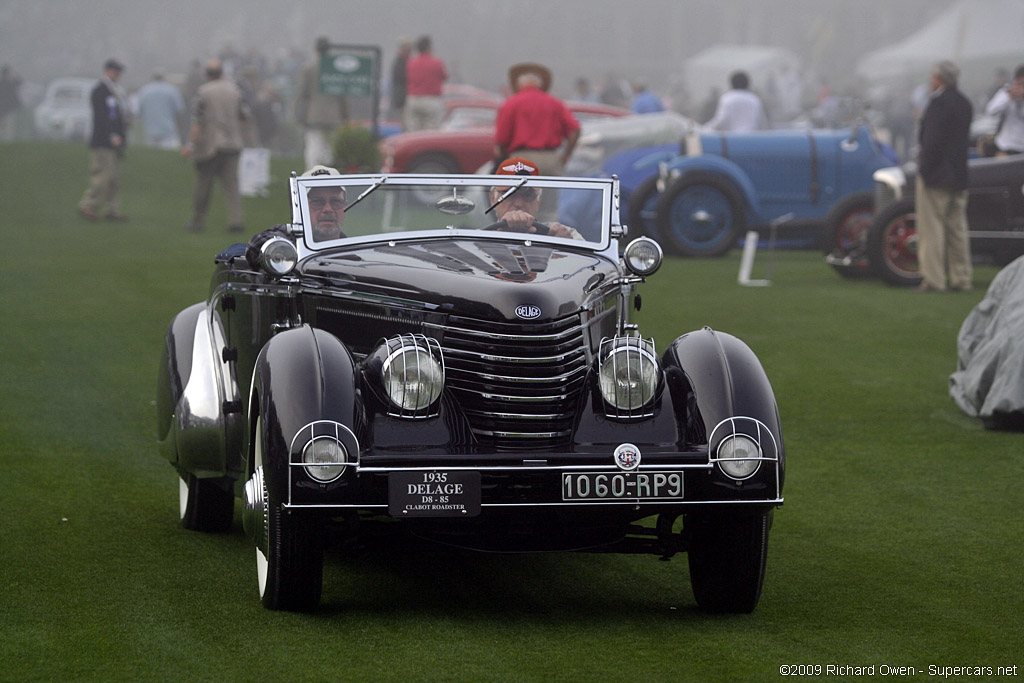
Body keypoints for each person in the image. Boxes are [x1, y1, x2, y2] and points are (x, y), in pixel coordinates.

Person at [493, 63, 580, 219]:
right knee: (549, 209)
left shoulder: (512, 103)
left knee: (518, 206)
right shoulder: (555, 103)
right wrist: (566, 155)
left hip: (521, 159)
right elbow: (575, 130)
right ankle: (548, 238)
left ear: (519, 85)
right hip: (550, 159)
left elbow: (501, 140)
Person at [915, 60, 973, 293]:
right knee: (957, 230)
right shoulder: (965, 103)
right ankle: (962, 278)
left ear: (939, 79)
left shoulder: (938, 104)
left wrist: (925, 170)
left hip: (937, 174)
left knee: (932, 230)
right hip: (959, 174)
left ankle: (934, 279)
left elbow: (932, 141)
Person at [182, 58, 251, 233]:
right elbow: (244, 116)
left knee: (203, 186)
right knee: (231, 186)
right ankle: (236, 221)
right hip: (233, 144)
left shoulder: (203, 92)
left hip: (210, 146)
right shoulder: (235, 90)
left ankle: (197, 221)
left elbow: (197, 121)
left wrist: (190, 144)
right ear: (222, 73)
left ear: (207, 75)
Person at [78, 58, 129, 222]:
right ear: (107, 70)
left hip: (113, 142)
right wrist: (112, 134)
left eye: (119, 71)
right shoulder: (100, 90)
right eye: (115, 71)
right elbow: (102, 117)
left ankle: (111, 210)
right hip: (103, 142)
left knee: (114, 179)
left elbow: (114, 115)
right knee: (101, 176)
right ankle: (88, 205)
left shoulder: (112, 90)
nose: (118, 74)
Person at [487, 156, 581, 240]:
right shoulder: (478, 238)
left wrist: (561, 246)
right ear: (493, 198)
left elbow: (585, 256)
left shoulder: (560, 233)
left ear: (538, 201)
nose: (518, 204)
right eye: (509, 195)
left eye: (527, 195)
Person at [295, 37, 349, 169]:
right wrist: (345, 115)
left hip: (314, 113)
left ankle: (312, 174)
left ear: (316, 49)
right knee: (329, 146)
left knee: (314, 144)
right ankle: (328, 172)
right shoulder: (336, 69)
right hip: (333, 114)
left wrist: (297, 111)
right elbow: (342, 95)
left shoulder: (309, 68)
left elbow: (302, 93)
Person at [403, 35, 447, 131]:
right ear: (428, 48)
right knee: (431, 133)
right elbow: (444, 76)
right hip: (431, 100)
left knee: (412, 133)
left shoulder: (411, 63)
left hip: (413, 100)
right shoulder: (436, 63)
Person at [704, 70, 768, 132]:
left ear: (731, 83)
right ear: (748, 83)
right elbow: (761, 122)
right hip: (750, 138)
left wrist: (706, 129)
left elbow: (721, 120)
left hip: (732, 139)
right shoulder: (754, 99)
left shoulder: (727, 98)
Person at [135, 70, 185, 149]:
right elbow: (179, 110)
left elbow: (139, 111)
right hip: (168, 132)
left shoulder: (144, 91)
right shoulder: (172, 90)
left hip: (150, 131)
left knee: (152, 158)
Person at [984, 64, 1024, 156]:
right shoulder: (1005, 93)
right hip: (1007, 146)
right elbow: (991, 111)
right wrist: (1010, 97)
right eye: (1021, 84)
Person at [389, 38, 412, 122]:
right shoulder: (399, 63)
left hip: (405, 98)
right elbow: (401, 78)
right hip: (403, 98)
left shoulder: (404, 61)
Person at [0, 64, 22, 141]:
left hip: (6, 108)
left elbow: (20, 82)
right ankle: (6, 140)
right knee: (8, 125)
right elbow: (19, 82)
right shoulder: (7, 83)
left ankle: (5, 140)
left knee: (7, 125)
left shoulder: (5, 83)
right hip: (7, 108)